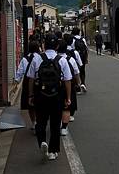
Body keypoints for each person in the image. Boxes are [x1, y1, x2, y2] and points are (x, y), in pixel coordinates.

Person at [27, 33, 72, 161]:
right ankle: (53, 151)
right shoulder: (62, 60)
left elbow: (31, 78)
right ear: (57, 46)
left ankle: (42, 142)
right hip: (57, 95)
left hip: (40, 95)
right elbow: (68, 80)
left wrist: (30, 95)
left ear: (44, 45)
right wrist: (68, 97)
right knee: (55, 122)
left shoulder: (37, 58)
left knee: (41, 121)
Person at [14, 41, 40, 130]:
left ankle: (34, 122)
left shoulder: (25, 59)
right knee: (39, 102)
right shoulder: (40, 58)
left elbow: (20, 72)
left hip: (27, 82)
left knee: (30, 104)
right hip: (38, 82)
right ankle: (39, 121)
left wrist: (16, 82)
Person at [57, 39, 81, 135]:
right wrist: (79, 83)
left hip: (54, 85)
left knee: (56, 105)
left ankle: (57, 122)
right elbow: (76, 72)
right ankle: (64, 127)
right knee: (67, 105)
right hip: (67, 84)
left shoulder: (52, 58)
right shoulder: (70, 59)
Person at [71, 27, 88, 91]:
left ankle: (77, 85)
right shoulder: (83, 39)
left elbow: (72, 48)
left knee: (75, 71)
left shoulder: (72, 39)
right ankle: (83, 83)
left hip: (75, 57)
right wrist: (86, 58)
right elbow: (86, 49)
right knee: (82, 70)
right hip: (83, 56)